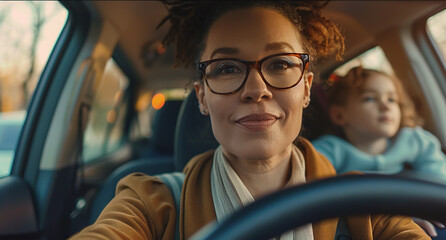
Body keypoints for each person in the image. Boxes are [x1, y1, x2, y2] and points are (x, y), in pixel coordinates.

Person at [70, 1, 429, 239]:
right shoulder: (151, 203)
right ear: (202, 97)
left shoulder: (367, 204)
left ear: (305, 88)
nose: (256, 90)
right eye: (226, 68)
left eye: (280, 64)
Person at [313, 66, 446, 236]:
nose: (385, 106)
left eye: (392, 99)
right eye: (369, 99)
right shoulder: (330, 150)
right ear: (339, 115)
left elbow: (438, 175)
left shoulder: (413, 140)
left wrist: (427, 205)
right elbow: (316, 192)